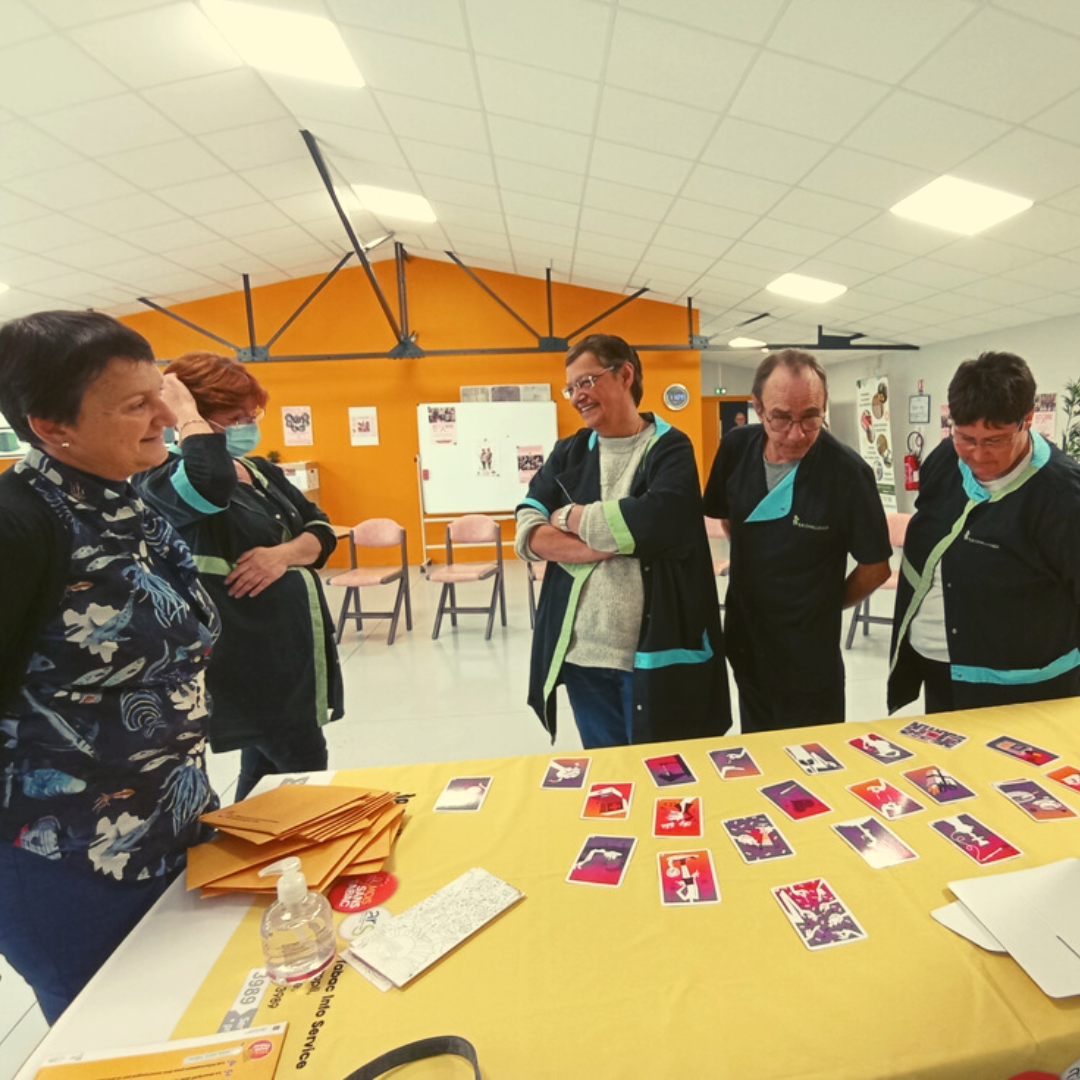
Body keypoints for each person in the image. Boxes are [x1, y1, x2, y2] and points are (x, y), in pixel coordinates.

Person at [0, 311, 220, 1023]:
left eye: (162, 395)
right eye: (136, 405)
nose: (168, 417)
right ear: (50, 426)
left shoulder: (129, 503)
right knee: (116, 1040)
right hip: (67, 858)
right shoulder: (18, 524)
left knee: (197, 1022)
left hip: (175, 821)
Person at [135, 352, 343, 799]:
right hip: (245, 658)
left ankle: (248, 838)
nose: (248, 425)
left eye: (252, 415)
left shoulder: (260, 471)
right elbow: (209, 484)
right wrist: (185, 412)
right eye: (235, 418)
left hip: (291, 650)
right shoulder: (162, 479)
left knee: (265, 769)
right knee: (303, 766)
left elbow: (322, 532)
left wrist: (283, 554)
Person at [515, 334, 730, 748]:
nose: (577, 396)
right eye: (571, 388)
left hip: (652, 655)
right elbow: (527, 529)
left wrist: (567, 517)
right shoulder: (569, 452)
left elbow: (656, 522)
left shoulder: (670, 448)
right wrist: (601, 544)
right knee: (609, 772)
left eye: (586, 381)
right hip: (581, 655)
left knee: (665, 770)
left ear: (625, 375)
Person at [703, 349, 891, 732]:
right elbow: (728, 518)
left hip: (809, 656)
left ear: (824, 405)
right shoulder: (737, 448)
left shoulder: (847, 473)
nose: (797, 433)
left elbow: (876, 568)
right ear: (757, 407)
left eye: (810, 417)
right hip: (746, 638)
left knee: (811, 757)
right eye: (781, 418)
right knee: (757, 745)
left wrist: (821, 606)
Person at [889, 351, 1080, 714]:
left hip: (1024, 686)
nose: (977, 455)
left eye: (994, 441)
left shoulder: (1062, 495)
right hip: (939, 667)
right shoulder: (946, 459)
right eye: (965, 437)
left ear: (1027, 420)